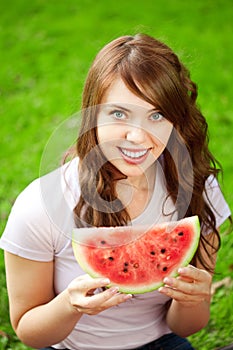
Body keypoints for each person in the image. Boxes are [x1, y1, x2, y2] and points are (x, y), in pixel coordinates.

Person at [0, 33, 231, 350]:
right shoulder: (39, 205)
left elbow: (186, 327)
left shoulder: (198, 188)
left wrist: (193, 299)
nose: (138, 136)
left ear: (177, 121)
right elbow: (29, 332)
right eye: (119, 113)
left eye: (157, 115)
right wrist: (70, 305)